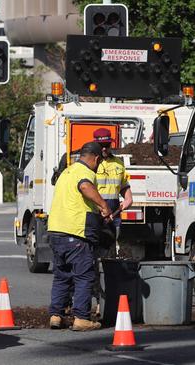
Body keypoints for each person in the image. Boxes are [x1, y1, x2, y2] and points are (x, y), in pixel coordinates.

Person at [47, 142, 112, 331]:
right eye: (99, 163)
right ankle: (82, 318)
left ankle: (56, 315)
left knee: (62, 276)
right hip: (75, 233)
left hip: (56, 232)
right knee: (84, 276)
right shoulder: (85, 173)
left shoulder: (67, 172)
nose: (98, 167)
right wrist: (103, 205)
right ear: (96, 158)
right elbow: (85, 187)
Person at [93, 128, 134, 243]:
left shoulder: (119, 164)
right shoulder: (91, 163)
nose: (104, 148)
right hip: (95, 213)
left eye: (107, 144)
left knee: (111, 247)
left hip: (113, 214)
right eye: (101, 145)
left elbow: (125, 189)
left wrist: (128, 200)